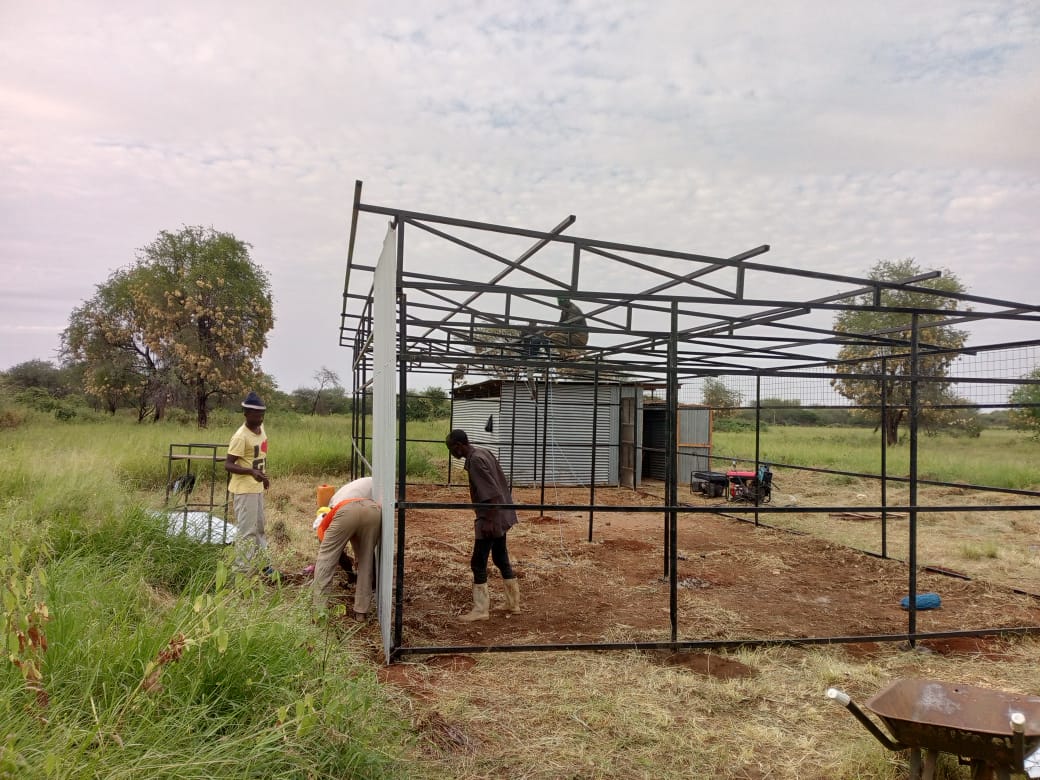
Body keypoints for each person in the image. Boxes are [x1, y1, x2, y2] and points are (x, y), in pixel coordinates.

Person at [445, 429, 520, 621]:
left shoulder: (476, 461)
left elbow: (492, 492)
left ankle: (480, 610)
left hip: (491, 517)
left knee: (478, 562)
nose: (452, 453)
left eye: (451, 448)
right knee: (501, 558)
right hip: (501, 514)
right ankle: (513, 604)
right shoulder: (484, 452)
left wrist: (488, 521)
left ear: (458, 446)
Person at [312, 476, 381, 621]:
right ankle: (361, 613)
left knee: (325, 560)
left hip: (347, 510)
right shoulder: (339, 496)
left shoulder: (327, 518)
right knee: (366, 560)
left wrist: (344, 565)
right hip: (372, 511)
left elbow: (328, 548)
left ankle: (319, 611)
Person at [224, 391, 275, 578]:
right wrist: (251, 472)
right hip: (244, 490)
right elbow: (228, 464)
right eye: (256, 415)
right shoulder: (240, 436)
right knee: (247, 532)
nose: (260, 418)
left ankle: (264, 565)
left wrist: (262, 476)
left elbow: (258, 457)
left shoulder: (261, 429)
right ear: (246, 413)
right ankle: (242, 573)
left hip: (257, 487)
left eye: (262, 414)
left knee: (260, 528)